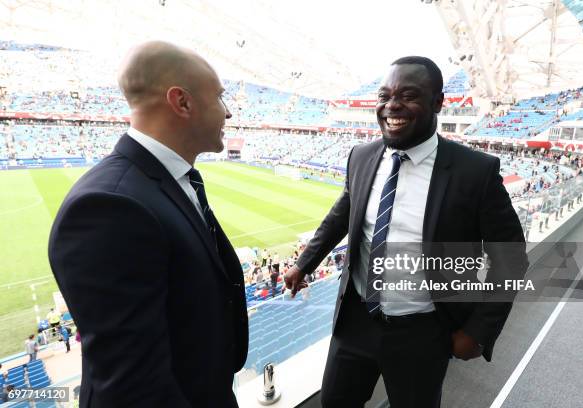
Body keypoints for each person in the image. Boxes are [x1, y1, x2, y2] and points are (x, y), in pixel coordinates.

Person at [285, 56, 528, 407]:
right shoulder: (362, 156)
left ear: (438, 102)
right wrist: (305, 262)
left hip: (424, 332)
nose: (392, 106)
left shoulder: (475, 172)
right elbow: (344, 212)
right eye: (384, 96)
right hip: (355, 320)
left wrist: (478, 331)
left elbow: (511, 259)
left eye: (408, 95)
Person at [48, 41, 248, 408]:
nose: (228, 113)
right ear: (182, 102)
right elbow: (134, 388)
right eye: (220, 98)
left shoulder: (166, 181)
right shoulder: (110, 207)